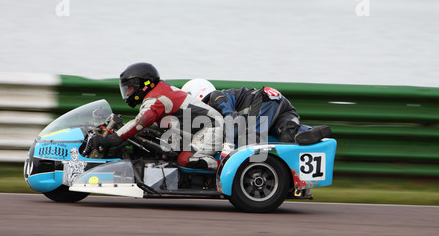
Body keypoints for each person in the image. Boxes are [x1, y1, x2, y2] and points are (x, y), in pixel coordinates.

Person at [92, 63, 223, 170]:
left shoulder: (157, 98)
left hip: (211, 129)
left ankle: (222, 168)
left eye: (130, 88)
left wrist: (113, 139)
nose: (128, 93)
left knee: (185, 160)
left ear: (142, 85)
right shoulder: (158, 91)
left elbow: (140, 122)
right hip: (194, 132)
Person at [182, 79, 331, 157]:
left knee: (249, 142)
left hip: (264, 100)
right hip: (282, 107)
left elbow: (233, 120)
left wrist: (226, 149)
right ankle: (308, 132)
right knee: (289, 136)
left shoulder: (216, 97)